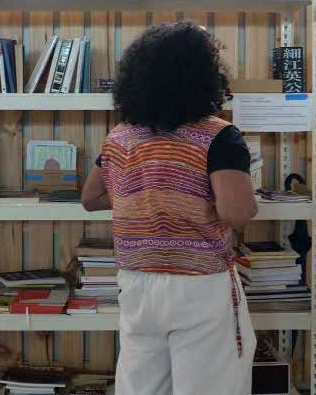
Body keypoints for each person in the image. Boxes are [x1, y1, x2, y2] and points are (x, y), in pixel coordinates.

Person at [81, 21, 258, 395]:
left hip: (137, 282)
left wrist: (149, 195)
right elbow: (237, 212)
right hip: (199, 285)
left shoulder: (121, 136)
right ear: (204, 75)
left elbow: (91, 198)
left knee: (141, 385)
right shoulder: (219, 136)